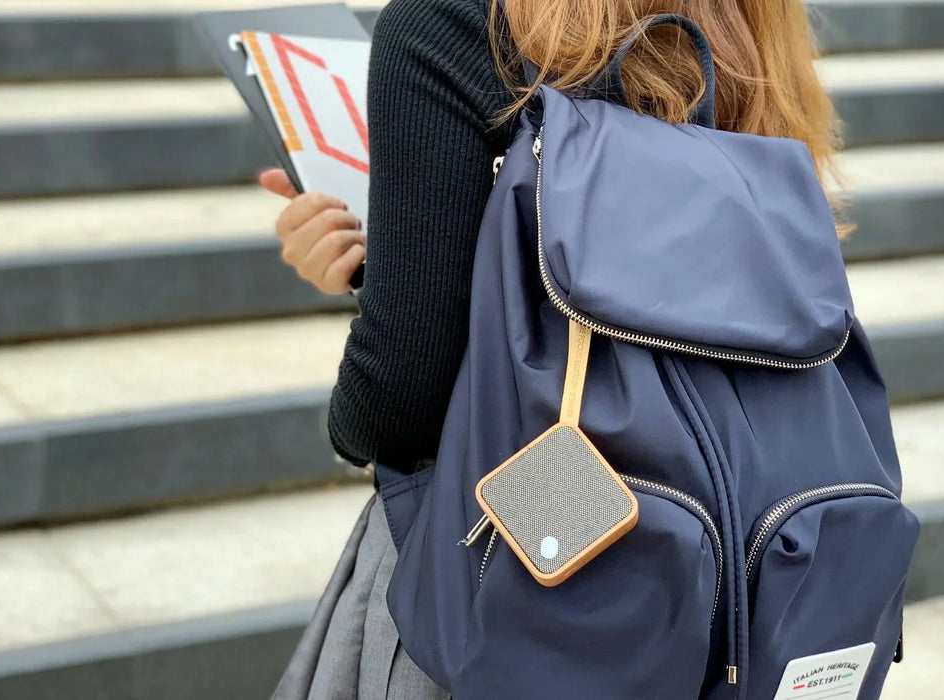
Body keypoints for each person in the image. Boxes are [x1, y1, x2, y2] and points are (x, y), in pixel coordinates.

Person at [259, 0, 839, 697]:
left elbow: (401, 400)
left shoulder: (454, 21)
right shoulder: (750, 26)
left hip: (528, 557)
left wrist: (376, 331)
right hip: (730, 572)